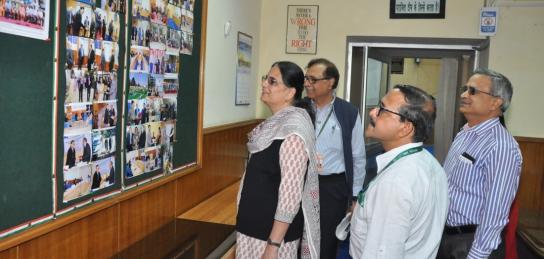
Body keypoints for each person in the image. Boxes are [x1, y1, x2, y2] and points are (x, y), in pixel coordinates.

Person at [350, 85, 448, 258]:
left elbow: (382, 253)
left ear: (406, 127)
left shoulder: (395, 183)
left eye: (382, 109)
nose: (372, 112)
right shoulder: (428, 162)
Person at [236, 61, 320, 259]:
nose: (265, 84)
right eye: (266, 78)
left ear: (290, 93)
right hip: (252, 229)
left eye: (272, 81)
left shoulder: (292, 133)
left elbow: (289, 198)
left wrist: (273, 246)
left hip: (270, 240)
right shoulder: (274, 126)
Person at [437, 68, 522, 259]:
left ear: (496, 102)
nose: (464, 95)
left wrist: (477, 255)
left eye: (473, 91)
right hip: (447, 237)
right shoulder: (464, 133)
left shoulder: (500, 146)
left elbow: (496, 210)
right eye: (465, 89)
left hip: (471, 244)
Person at [303, 58, 366, 258]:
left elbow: (358, 157)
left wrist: (355, 196)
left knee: (325, 242)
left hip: (332, 187)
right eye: (306, 78)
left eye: (313, 79)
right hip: (300, 182)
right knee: (296, 236)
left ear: (330, 82)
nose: (307, 84)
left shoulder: (348, 112)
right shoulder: (299, 108)